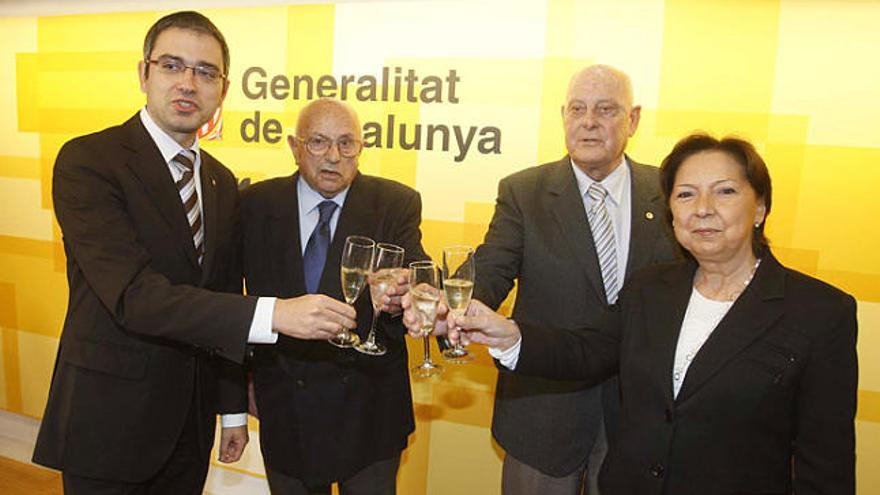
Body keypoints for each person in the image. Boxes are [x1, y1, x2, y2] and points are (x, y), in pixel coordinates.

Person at [33, 12, 356, 494]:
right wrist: (276, 314)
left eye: (205, 72)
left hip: (190, 423)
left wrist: (229, 409)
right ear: (144, 73)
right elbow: (134, 296)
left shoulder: (221, 182)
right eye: (172, 65)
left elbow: (220, 292)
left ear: (222, 90)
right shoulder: (89, 161)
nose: (188, 83)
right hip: (110, 420)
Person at [452, 134, 858, 495]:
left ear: (760, 208)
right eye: (685, 195)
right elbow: (589, 350)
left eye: (725, 192)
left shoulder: (820, 314)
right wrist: (509, 336)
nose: (702, 209)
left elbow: (825, 466)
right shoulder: (651, 289)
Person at [468, 64, 679, 494]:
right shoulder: (523, 192)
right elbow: (491, 269)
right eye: (578, 109)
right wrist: (452, 301)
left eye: (605, 109)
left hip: (640, 417)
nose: (589, 122)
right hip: (543, 414)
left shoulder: (672, 190)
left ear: (633, 119)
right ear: (563, 115)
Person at [241, 98, 427, 495]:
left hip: (369, 412)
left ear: (360, 149)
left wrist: (404, 291)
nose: (333, 157)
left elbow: (419, 274)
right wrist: (242, 381)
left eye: (347, 144)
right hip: (286, 406)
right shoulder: (254, 205)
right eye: (318, 143)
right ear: (294, 146)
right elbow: (232, 304)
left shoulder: (395, 202)